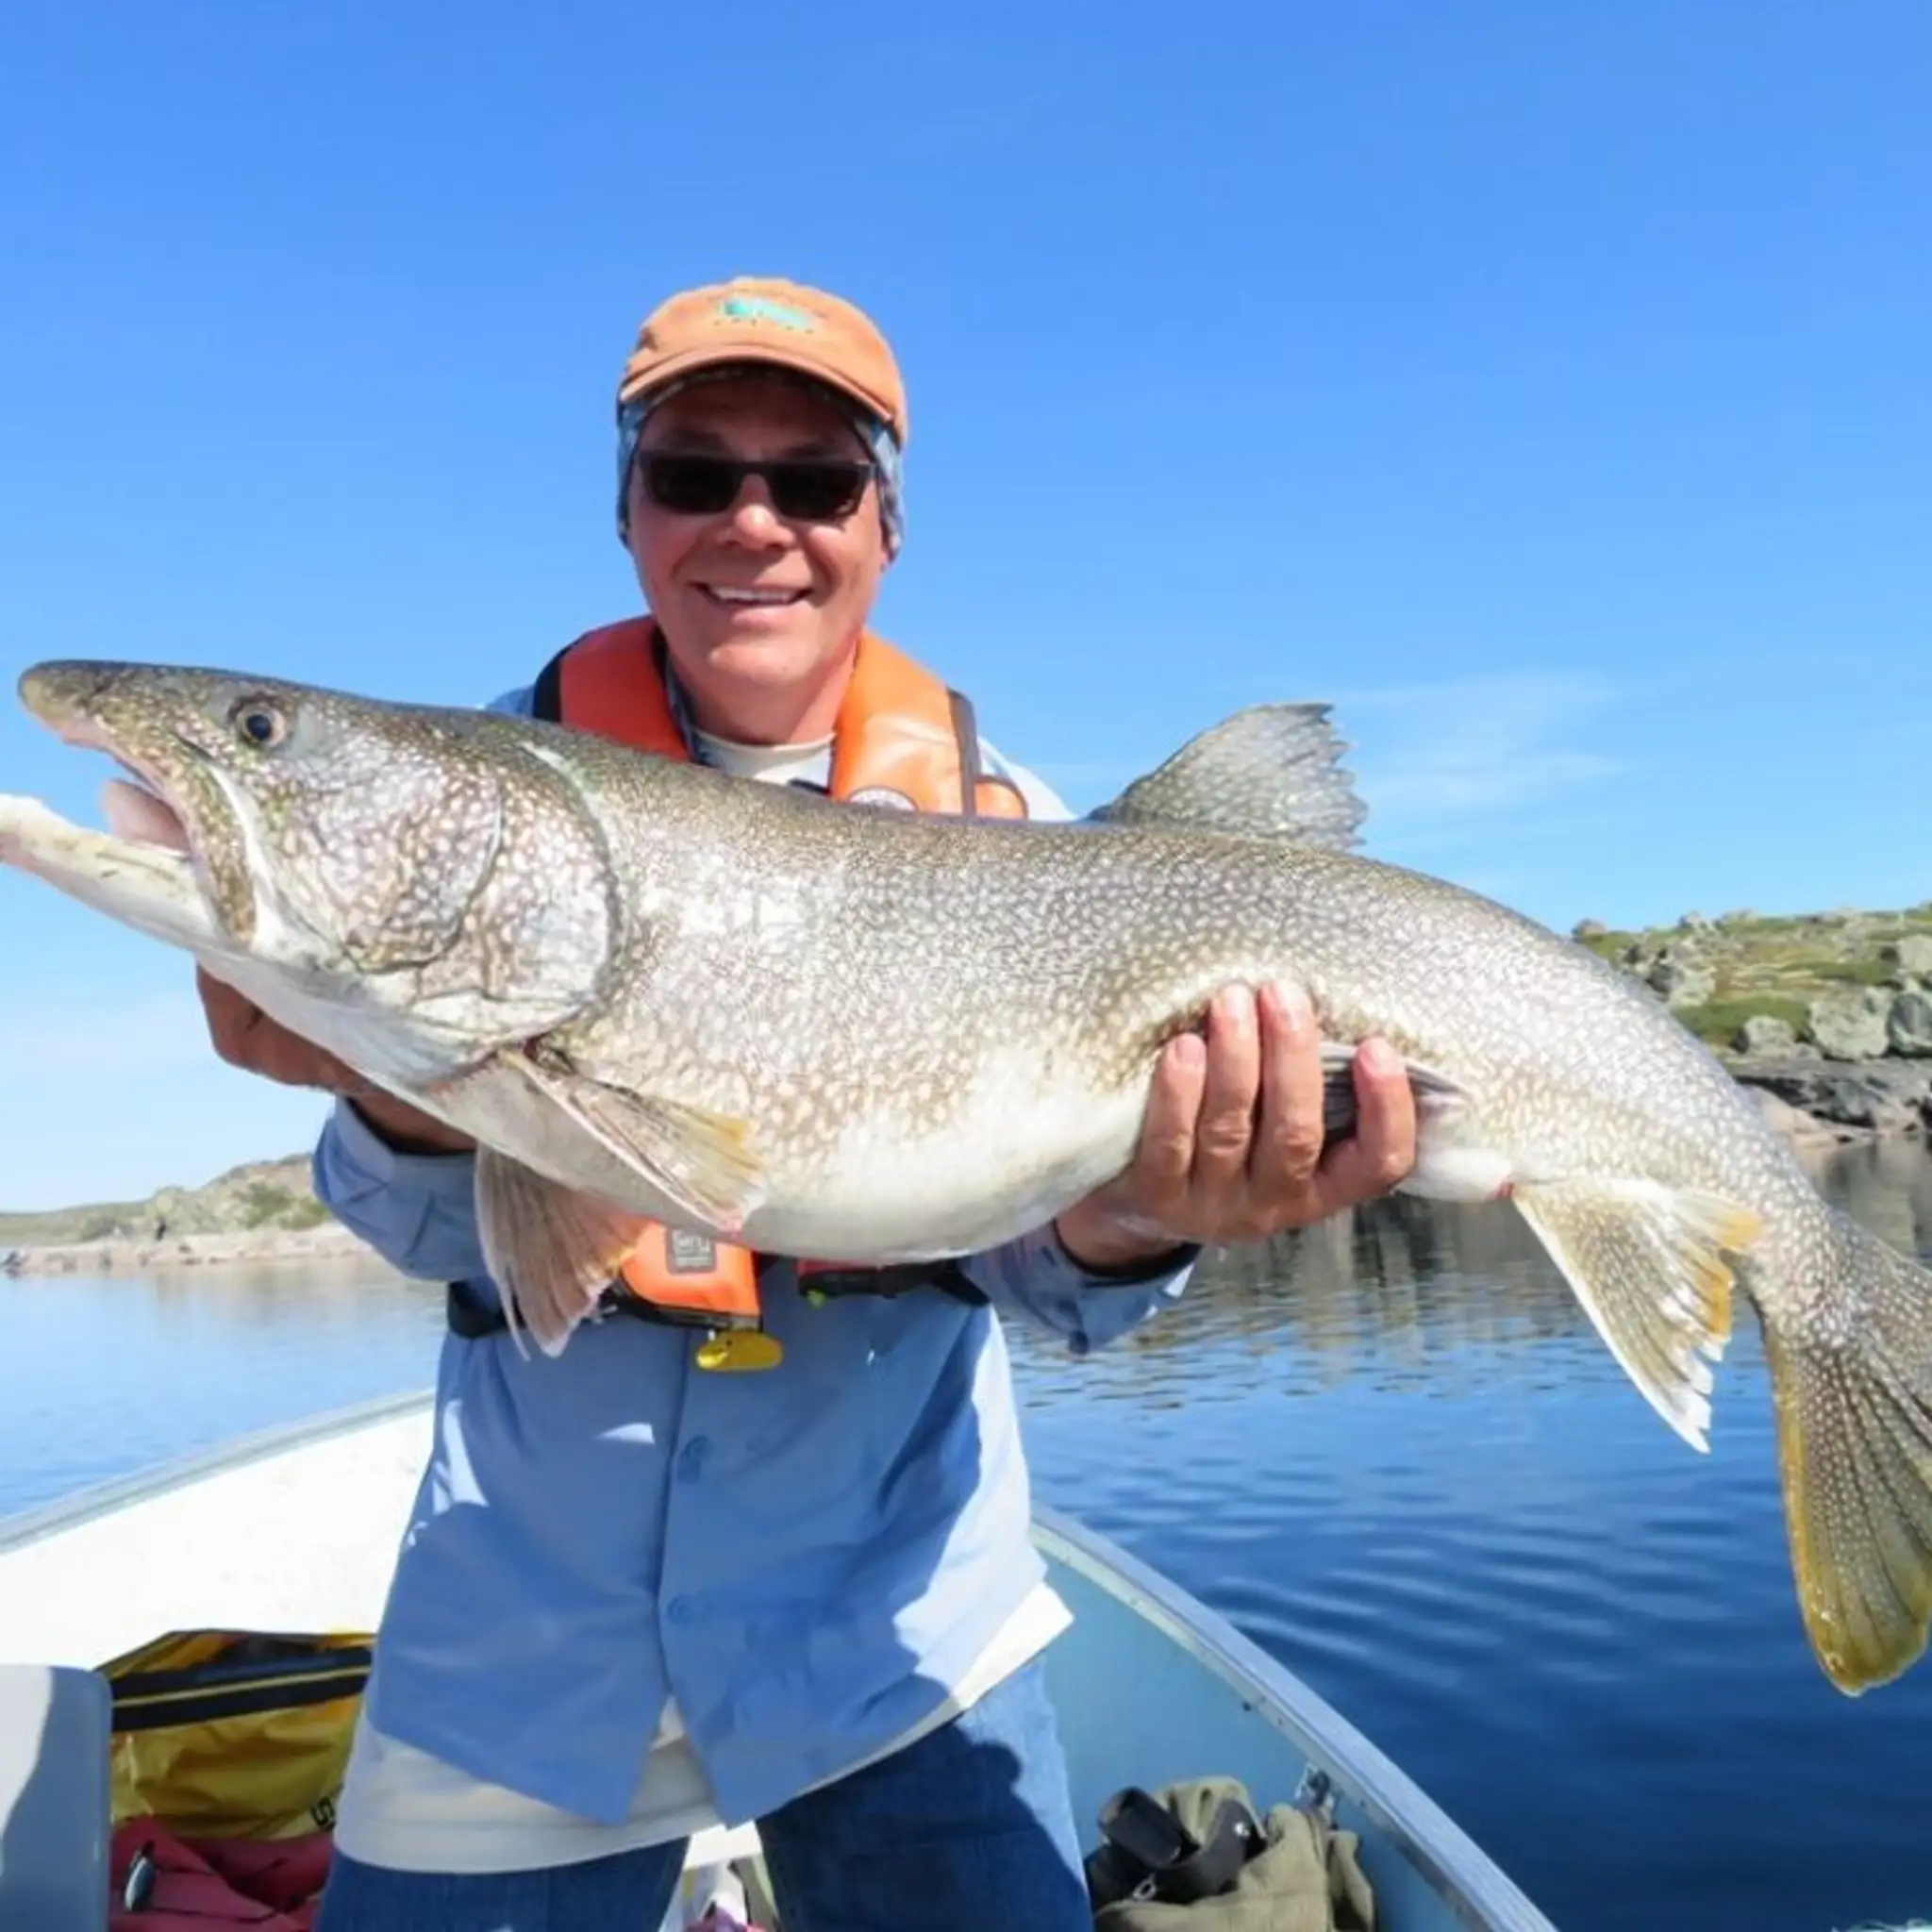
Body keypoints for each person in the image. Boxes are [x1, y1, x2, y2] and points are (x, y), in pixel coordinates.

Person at [196, 275, 1419, 1932]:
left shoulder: (1034, 839)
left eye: (815, 481)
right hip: (522, 1654)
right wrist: (411, 1100)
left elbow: (1051, 1285)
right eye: (696, 475)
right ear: (629, 516)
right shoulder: (483, 796)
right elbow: (448, 1243)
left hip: (901, 1646)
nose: (752, 524)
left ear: (885, 527)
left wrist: (1141, 1220)